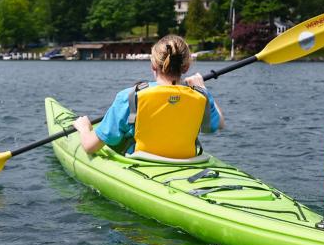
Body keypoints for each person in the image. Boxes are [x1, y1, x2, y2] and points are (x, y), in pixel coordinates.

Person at [73, 34, 224, 160]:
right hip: (186, 162)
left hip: (143, 162)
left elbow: (89, 147)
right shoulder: (200, 96)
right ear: (186, 67)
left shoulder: (130, 96)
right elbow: (219, 124)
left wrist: (84, 128)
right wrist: (203, 88)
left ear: (153, 65)